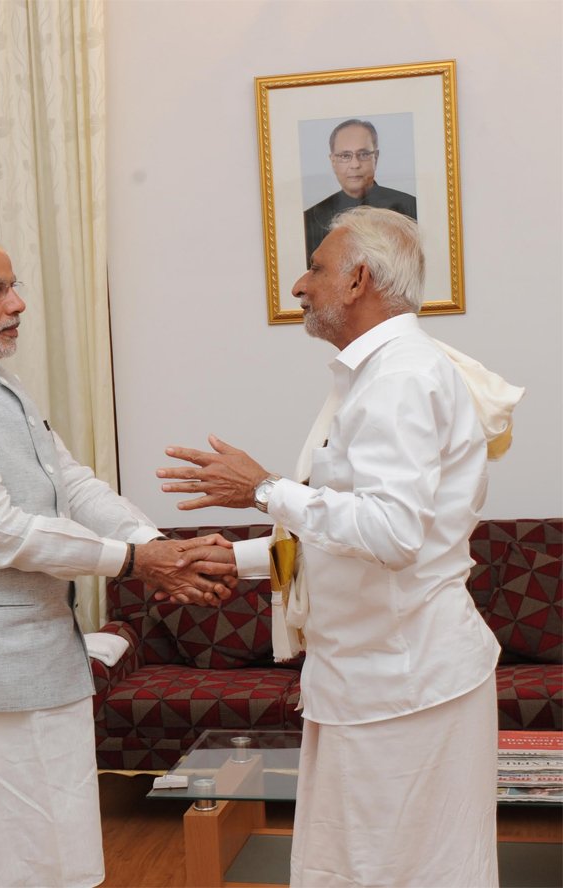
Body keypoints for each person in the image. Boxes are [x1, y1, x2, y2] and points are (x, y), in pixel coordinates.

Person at [0, 224, 233, 888]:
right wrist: (136, 564)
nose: (17, 304)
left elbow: (72, 484)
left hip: (37, 670)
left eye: (15, 286)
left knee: (56, 862)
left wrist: (155, 546)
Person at [158, 207, 523, 887]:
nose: (300, 284)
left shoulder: (401, 378)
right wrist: (231, 559)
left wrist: (263, 488)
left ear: (357, 279)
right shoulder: (378, 374)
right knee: (356, 868)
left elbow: (389, 534)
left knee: (399, 872)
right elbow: (345, 534)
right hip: (374, 681)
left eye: (316, 268)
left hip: (403, 688)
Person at [304, 118, 417, 261]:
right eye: (345, 156)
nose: (355, 164)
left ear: (375, 157)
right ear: (333, 161)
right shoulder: (310, 219)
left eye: (363, 154)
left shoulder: (410, 207)